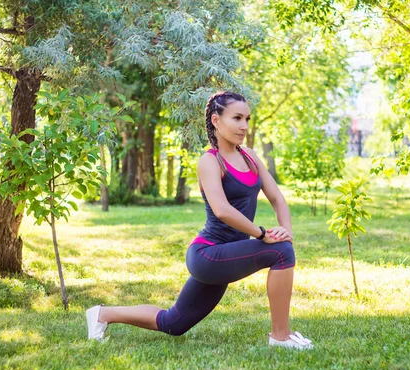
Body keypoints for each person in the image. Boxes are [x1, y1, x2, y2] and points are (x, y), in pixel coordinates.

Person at [86, 91, 313, 350]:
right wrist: (262, 234)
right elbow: (222, 210)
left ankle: (102, 314)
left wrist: (287, 232)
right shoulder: (209, 161)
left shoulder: (250, 156)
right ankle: (280, 337)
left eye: (247, 119)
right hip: (208, 254)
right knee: (280, 252)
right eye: (237, 118)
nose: (244, 126)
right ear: (216, 121)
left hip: (228, 253)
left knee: (174, 323)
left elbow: (277, 199)